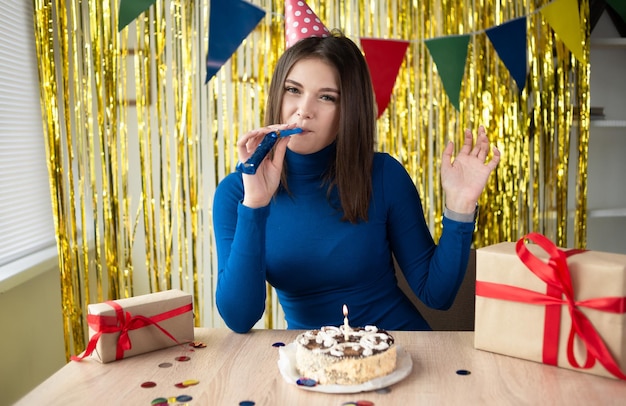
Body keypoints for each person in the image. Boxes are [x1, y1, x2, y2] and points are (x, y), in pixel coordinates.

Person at [212, 33, 500, 333]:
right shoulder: (236, 194)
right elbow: (239, 318)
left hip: (400, 348)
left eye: (326, 97)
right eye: (293, 90)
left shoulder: (384, 175)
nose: (304, 110)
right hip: (313, 364)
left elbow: (436, 295)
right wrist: (255, 205)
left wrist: (460, 207)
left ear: (348, 109)